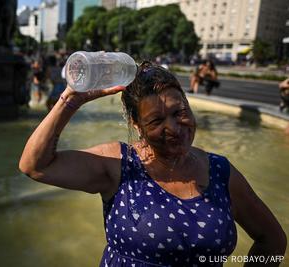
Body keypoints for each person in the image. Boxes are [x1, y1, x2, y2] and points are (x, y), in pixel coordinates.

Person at [19, 61, 286, 266]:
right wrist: (71, 100)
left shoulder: (220, 171)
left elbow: (273, 242)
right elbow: (35, 165)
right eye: (156, 121)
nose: (174, 128)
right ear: (137, 125)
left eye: (179, 112)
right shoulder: (119, 164)